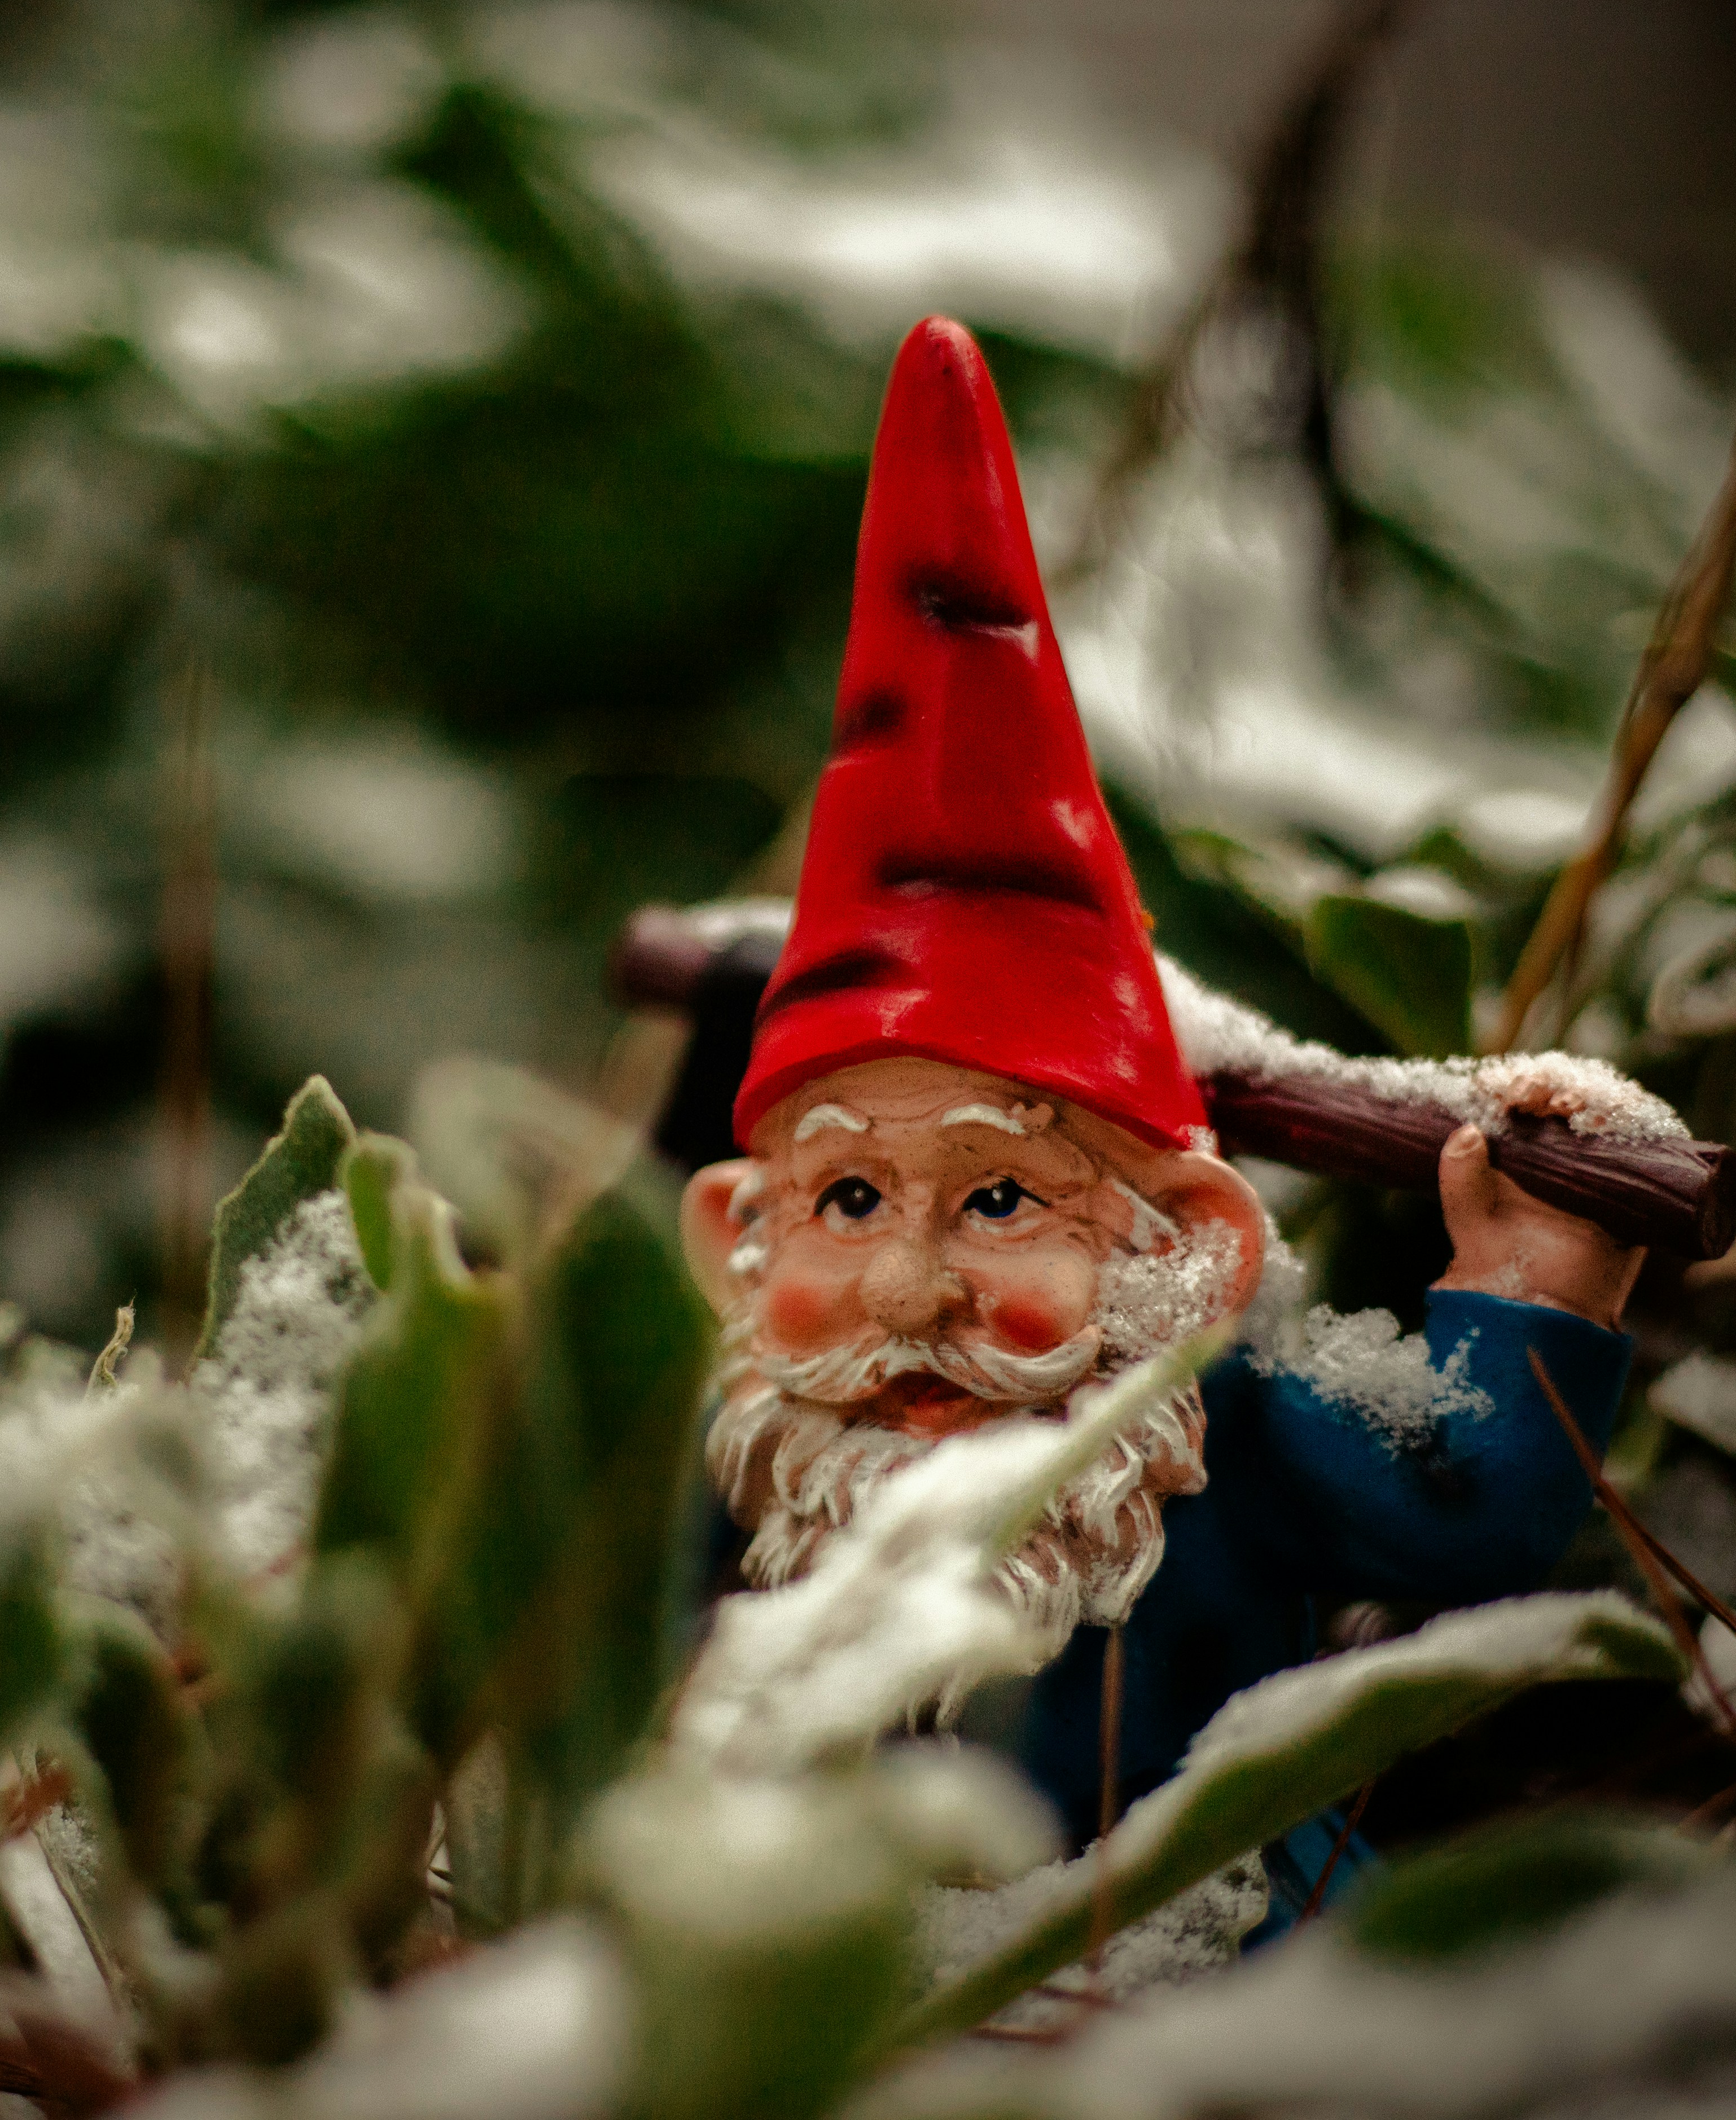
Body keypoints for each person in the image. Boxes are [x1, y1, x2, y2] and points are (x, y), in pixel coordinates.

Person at [674, 318, 1644, 1925]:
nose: (910, 1296)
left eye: (996, 1203)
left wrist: (1528, 1291)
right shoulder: (760, 1460)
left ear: (1186, 1247)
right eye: (847, 1203)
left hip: (1196, 1942)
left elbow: (1458, 1516)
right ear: (736, 1236)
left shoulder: (1224, 1434)